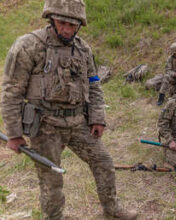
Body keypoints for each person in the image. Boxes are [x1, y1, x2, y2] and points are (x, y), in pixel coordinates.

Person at [1, 0, 137, 219]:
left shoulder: (83, 49)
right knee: (51, 178)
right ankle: (54, 217)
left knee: (104, 162)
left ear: (79, 25)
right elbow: (10, 91)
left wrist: (97, 118)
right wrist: (14, 134)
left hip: (77, 121)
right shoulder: (28, 46)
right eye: (62, 22)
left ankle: (112, 209)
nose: (66, 29)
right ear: (51, 19)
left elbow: (94, 85)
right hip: (45, 125)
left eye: (72, 25)